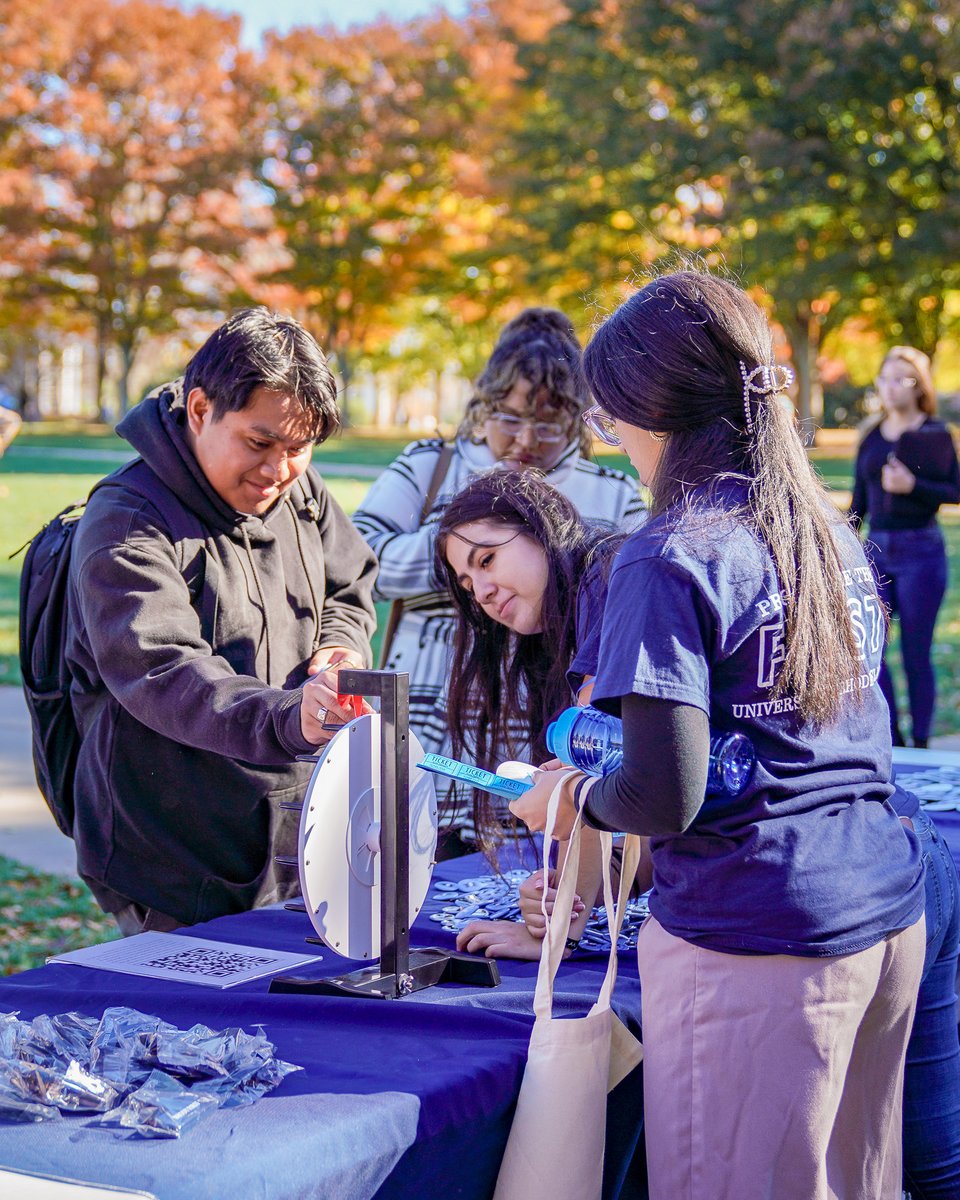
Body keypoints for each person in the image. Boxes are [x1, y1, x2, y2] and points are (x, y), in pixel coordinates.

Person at [509, 271, 926, 1199]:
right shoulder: (828, 533)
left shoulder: (669, 552)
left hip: (759, 937)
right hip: (883, 911)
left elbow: (662, 794)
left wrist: (568, 795)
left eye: (608, 416)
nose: (608, 440)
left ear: (646, 414)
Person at [66, 309, 378, 934]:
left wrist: (341, 646)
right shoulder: (127, 521)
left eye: (298, 448)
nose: (277, 471)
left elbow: (350, 582)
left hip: (291, 830)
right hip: (171, 851)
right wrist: (291, 716)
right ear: (201, 409)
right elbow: (164, 671)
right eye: (260, 444)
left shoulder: (300, 487)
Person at [352, 309, 644, 845]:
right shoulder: (429, 463)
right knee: (417, 843)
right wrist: (474, 552)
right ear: (483, 409)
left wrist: (558, 549)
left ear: (578, 423)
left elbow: (638, 607)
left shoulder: (613, 491)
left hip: (551, 709)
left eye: (549, 424)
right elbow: (358, 558)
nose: (525, 439)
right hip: (434, 698)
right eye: (510, 418)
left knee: (534, 840)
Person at [434, 469, 652, 959]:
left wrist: (556, 934)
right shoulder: (570, 623)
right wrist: (562, 904)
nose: (483, 592)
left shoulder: (606, 574)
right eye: (469, 585)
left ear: (540, 527)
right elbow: (613, 796)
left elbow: (589, 774)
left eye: (487, 559)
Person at [849, 346, 960, 747]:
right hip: (876, 552)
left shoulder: (935, 434)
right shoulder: (871, 437)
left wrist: (913, 487)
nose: (891, 387)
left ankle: (924, 743)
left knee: (917, 655)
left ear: (918, 386)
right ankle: (892, 739)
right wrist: (843, 547)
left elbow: (955, 489)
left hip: (921, 552)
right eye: (885, 378)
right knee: (870, 651)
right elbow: (858, 502)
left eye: (902, 379)